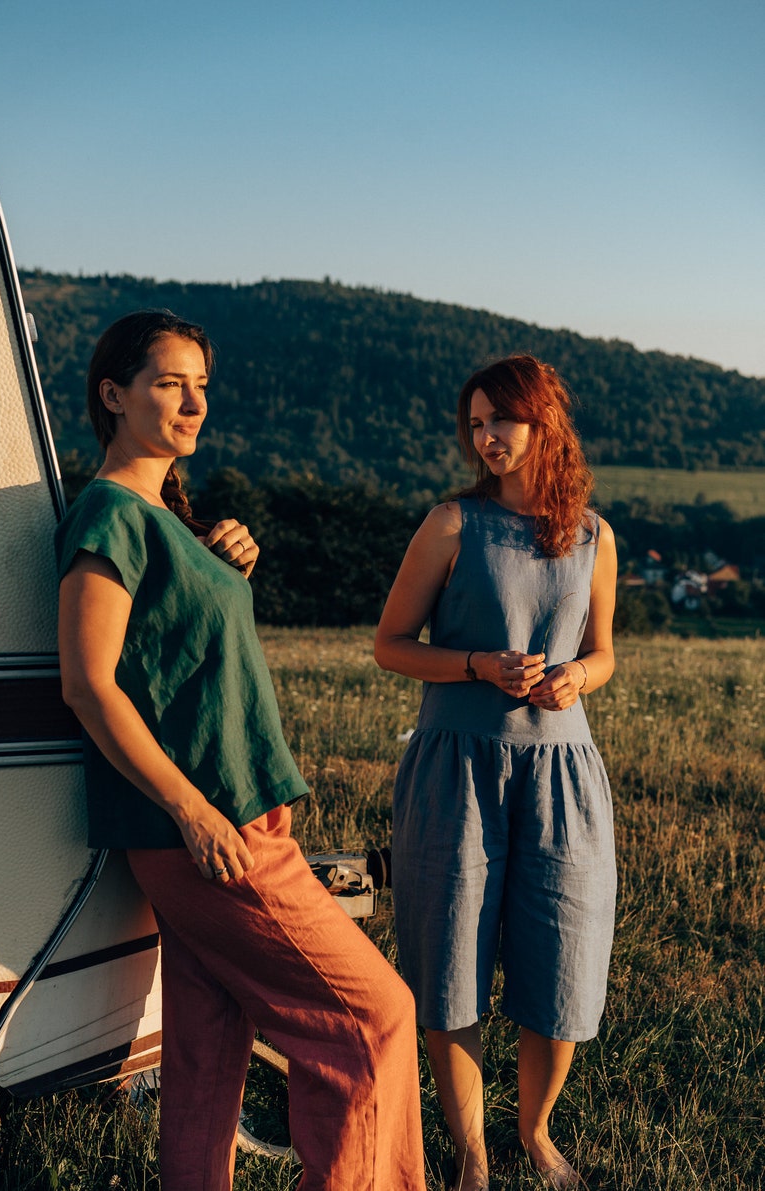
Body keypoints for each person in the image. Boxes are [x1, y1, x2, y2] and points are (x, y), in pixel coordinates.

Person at [56, 309, 426, 1191]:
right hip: (208, 828)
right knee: (375, 1015)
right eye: (169, 382)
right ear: (114, 394)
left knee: (208, 1048)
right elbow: (89, 683)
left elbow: (174, 647)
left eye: (203, 385)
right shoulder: (108, 514)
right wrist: (192, 811)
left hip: (227, 817)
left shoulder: (159, 516)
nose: (194, 402)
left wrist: (223, 562)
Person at [374, 354, 617, 1191]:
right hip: (456, 769)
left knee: (566, 956)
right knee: (451, 965)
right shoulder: (451, 522)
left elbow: (603, 651)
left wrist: (577, 677)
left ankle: (535, 1132)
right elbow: (390, 645)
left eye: (499, 421)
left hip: (564, 774)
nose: (485, 439)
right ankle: (472, 1151)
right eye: (474, 424)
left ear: (543, 420)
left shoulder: (593, 533)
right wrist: (477, 662)